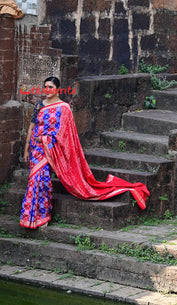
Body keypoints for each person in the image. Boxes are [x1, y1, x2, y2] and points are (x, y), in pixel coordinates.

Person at [20, 76, 150, 229]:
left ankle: (42, 217)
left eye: (51, 87)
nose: (47, 90)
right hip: (36, 149)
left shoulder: (64, 108)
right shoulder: (39, 106)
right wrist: (26, 149)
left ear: (57, 89)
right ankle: (29, 216)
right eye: (45, 87)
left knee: (43, 181)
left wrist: (47, 140)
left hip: (50, 149)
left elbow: (64, 132)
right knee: (33, 180)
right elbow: (31, 127)